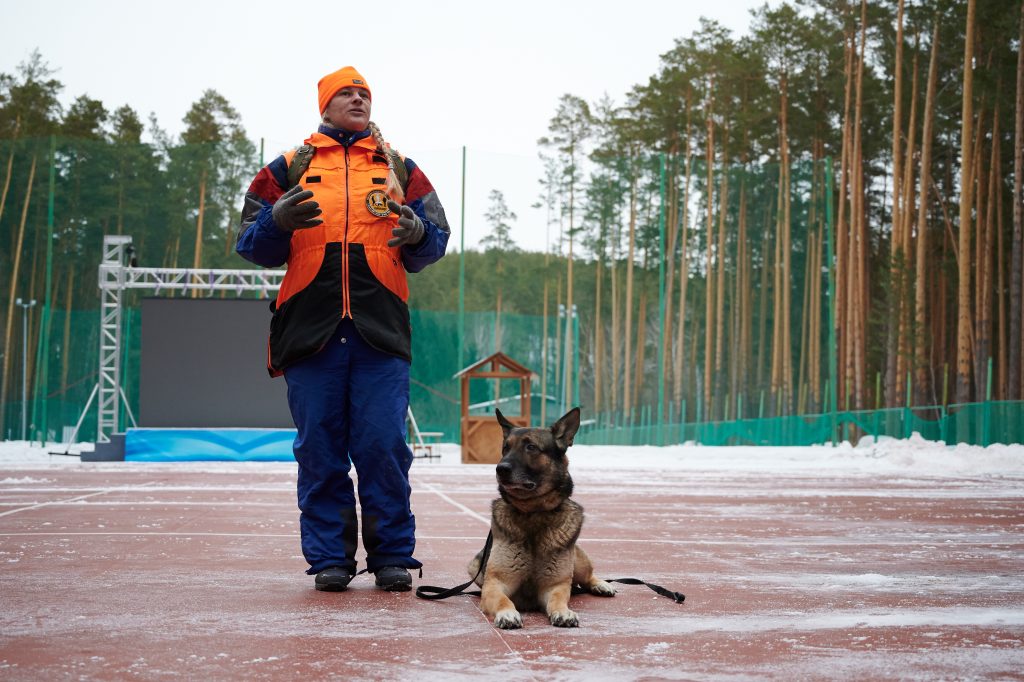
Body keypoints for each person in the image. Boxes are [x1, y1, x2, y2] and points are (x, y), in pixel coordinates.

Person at [236, 66, 449, 592]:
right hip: (311, 330)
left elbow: (436, 242)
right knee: (320, 450)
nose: (358, 99)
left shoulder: (400, 165)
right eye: (346, 94)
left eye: (365, 94)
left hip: (381, 330)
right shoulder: (290, 166)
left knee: (383, 446)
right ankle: (330, 559)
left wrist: (419, 231)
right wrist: (275, 222)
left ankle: (392, 557)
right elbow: (249, 243)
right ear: (324, 106)